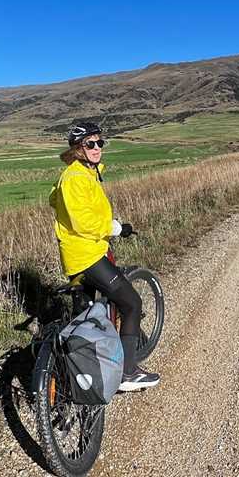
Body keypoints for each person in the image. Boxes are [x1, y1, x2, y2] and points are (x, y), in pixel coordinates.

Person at [49, 121, 160, 391]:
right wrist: (115, 227)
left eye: (100, 142)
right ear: (78, 149)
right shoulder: (76, 177)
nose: (97, 148)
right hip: (87, 255)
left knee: (88, 314)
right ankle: (127, 373)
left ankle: (85, 370)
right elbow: (82, 221)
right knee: (132, 303)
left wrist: (111, 225)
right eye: (90, 144)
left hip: (84, 252)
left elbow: (55, 200)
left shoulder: (86, 174)